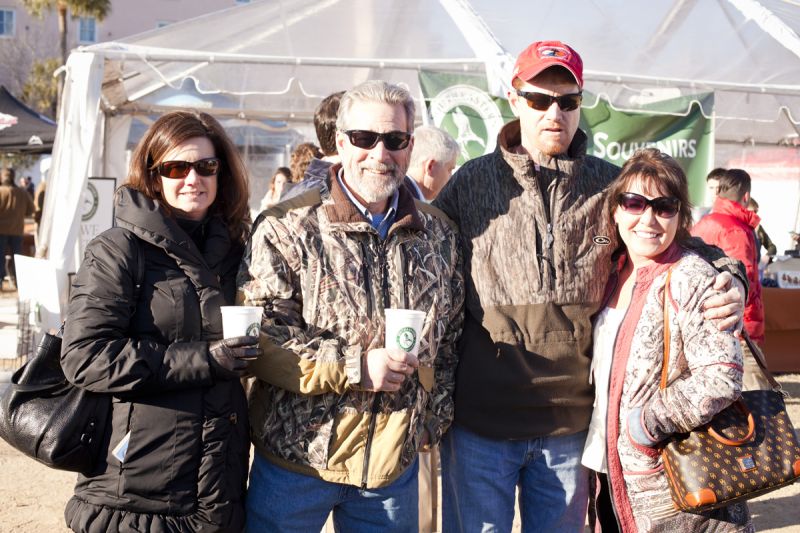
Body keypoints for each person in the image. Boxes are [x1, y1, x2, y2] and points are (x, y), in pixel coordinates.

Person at [432, 40, 746, 532]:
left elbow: (677, 237)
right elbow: (422, 253)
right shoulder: (471, 184)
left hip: (570, 431)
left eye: (567, 100)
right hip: (481, 427)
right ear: (514, 100)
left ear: (580, 104)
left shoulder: (610, 185)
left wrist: (733, 277)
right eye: (539, 99)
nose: (553, 112)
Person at [237, 80, 464, 532]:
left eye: (395, 140)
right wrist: (357, 366)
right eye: (365, 138)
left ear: (410, 145)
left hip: (390, 472)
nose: (380, 153)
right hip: (297, 463)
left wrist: (429, 422)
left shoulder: (439, 234)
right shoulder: (287, 226)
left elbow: (452, 335)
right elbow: (262, 337)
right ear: (341, 143)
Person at [60, 110, 260, 532]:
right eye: (176, 167)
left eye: (206, 166)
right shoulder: (118, 249)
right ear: (153, 175)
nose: (193, 178)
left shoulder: (239, 251)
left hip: (218, 486)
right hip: (134, 493)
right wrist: (206, 359)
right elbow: (84, 356)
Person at [582, 148, 751, 532]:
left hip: (673, 480)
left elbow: (721, 377)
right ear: (616, 209)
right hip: (612, 469)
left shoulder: (692, 276)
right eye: (634, 203)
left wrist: (644, 427)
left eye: (664, 206)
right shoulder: (613, 270)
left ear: (681, 215)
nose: (648, 218)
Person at [692, 168, 768, 391]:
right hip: (738, 327)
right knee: (760, 398)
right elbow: (746, 282)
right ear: (746, 197)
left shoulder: (703, 224)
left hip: (707, 322)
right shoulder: (737, 230)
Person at [0, 167, 34, 290]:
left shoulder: (1, 191)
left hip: (1, 230)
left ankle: (0, 281)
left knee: (0, 257)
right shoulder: (22, 192)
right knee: (17, 258)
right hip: (17, 230)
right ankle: (18, 282)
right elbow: (31, 210)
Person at [406, 125, 459, 202]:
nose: (451, 178)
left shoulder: (402, 198)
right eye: (449, 170)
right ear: (430, 166)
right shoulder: (404, 204)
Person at [747, 197, 777, 263]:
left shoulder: (758, 228)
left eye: (755, 212)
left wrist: (768, 256)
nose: (754, 215)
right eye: (751, 212)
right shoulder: (736, 227)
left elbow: (772, 247)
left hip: (755, 267)